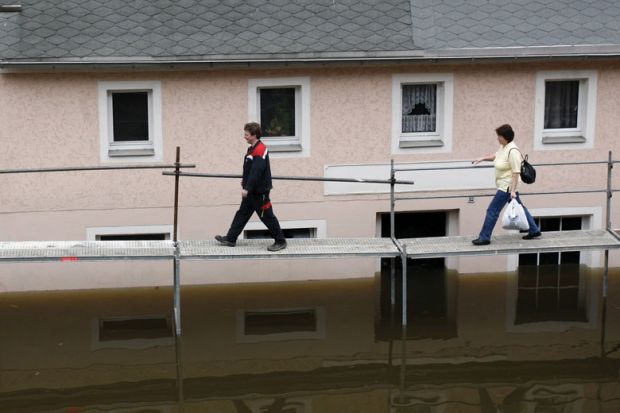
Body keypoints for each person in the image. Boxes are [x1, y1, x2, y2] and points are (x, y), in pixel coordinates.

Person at [215, 122, 287, 251]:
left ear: (254, 135)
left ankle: (280, 241)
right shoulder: (253, 148)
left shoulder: (259, 150)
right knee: (242, 213)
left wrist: (247, 188)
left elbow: (256, 172)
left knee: (267, 216)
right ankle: (231, 238)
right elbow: (250, 170)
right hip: (252, 191)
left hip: (259, 192)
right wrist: (245, 183)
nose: (244, 137)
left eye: (247, 135)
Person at [471, 124, 541, 245]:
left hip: (507, 187)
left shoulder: (513, 151)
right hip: (506, 185)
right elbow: (496, 157)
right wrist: (482, 158)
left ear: (505, 137)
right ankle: (534, 230)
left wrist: (512, 191)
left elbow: (516, 172)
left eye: (499, 136)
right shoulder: (504, 147)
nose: (497, 138)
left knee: (492, 210)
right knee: (520, 206)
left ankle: (484, 237)